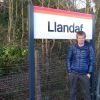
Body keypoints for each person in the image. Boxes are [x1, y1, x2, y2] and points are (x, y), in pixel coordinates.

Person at [66, 31, 95, 100]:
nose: (81, 39)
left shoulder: (89, 47)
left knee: (86, 93)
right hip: (73, 73)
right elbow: (68, 59)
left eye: (82, 38)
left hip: (85, 74)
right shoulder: (72, 47)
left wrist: (89, 73)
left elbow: (92, 60)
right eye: (79, 38)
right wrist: (69, 71)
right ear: (77, 38)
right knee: (72, 92)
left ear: (85, 38)